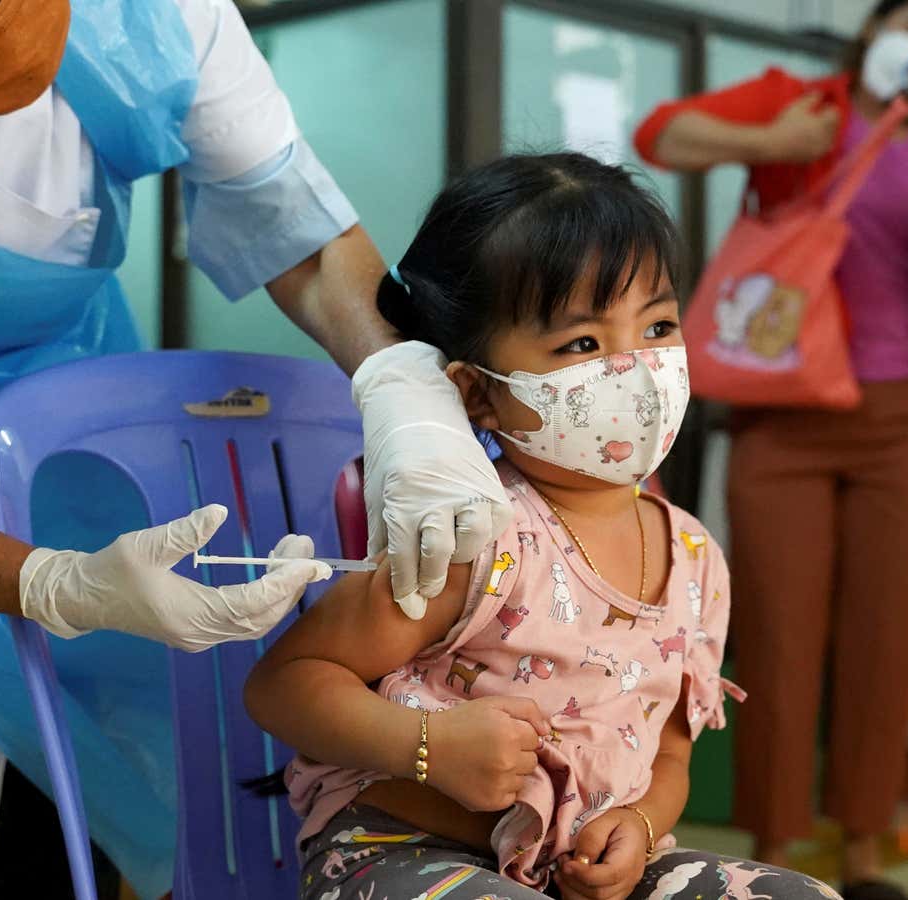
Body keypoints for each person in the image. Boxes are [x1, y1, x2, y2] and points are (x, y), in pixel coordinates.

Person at [0, 0, 510, 896]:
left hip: (80, 476)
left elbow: (299, 234)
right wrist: (51, 582)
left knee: (97, 784)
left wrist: (403, 392)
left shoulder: (151, 20)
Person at [245, 153, 840, 900]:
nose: (636, 369)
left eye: (657, 325)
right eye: (583, 345)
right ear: (479, 396)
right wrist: (426, 747)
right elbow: (283, 686)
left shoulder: (696, 559)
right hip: (398, 850)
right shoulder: (474, 537)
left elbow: (670, 759)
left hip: (572, 874)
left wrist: (643, 829)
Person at [633, 0, 908, 894]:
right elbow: (660, 135)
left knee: (887, 635)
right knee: (774, 632)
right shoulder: (799, 102)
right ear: (878, 18)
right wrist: (773, 144)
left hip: (903, 416)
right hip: (781, 412)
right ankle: (773, 845)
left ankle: (867, 848)